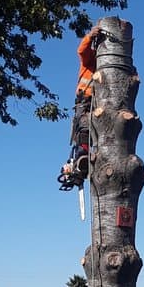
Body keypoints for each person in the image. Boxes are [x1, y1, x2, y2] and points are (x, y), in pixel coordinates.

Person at [58, 24, 102, 190]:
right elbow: (81, 51)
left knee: (99, 131)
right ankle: (82, 156)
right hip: (85, 100)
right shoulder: (89, 59)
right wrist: (90, 36)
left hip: (99, 104)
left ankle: (92, 157)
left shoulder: (108, 66)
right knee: (84, 128)